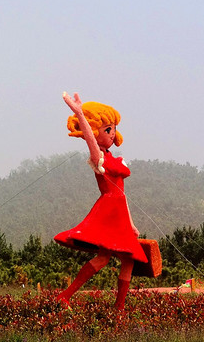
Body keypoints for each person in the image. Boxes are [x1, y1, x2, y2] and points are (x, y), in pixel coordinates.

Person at [54, 92, 147, 309]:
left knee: (127, 259)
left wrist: (131, 224)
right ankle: (66, 296)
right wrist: (79, 114)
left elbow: (122, 194)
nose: (112, 134)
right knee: (105, 257)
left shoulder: (115, 158)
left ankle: (118, 307)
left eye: (113, 129)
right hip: (108, 210)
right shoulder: (99, 158)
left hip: (119, 211)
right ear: (97, 133)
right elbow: (89, 139)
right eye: (107, 130)